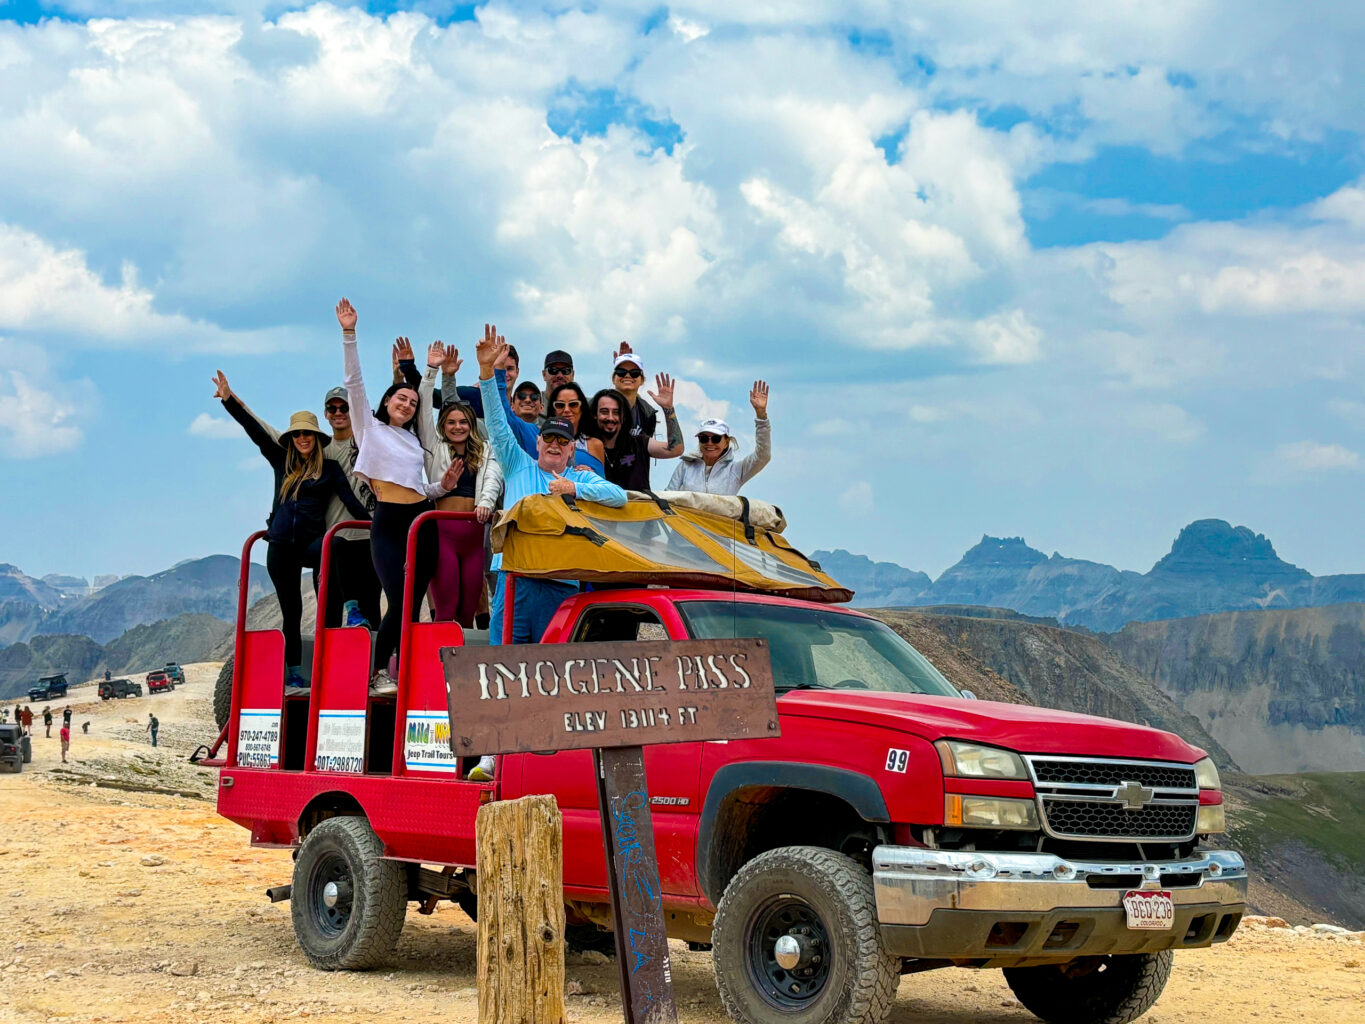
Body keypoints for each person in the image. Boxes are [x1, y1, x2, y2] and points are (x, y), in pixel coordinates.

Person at [475, 325, 627, 780]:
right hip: (514, 579)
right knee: (504, 663)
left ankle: (539, 761)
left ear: (569, 447)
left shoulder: (579, 478)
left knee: (550, 671)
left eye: (562, 441)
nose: (554, 446)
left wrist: (573, 488)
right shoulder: (517, 462)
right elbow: (498, 423)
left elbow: (618, 497)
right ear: (538, 442)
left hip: (559, 585)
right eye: (548, 439)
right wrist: (488, 374)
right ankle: (491, 757)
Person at [214, 372, 370, 692]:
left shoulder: (329, 469)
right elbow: (254, 430)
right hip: (282, 547)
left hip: (311, 544)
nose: (302, 439)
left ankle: (353, 610)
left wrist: (376, 524)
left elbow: (351, 502)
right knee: (292, 613)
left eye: (308, 434)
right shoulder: (281, 461)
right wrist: (230, 400)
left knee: (336, 544)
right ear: (292, 438)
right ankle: (295, 672)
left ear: (316, 437)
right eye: (298, 434)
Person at [338, 298, 461, 694]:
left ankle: (409, 669)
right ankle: (377, 673)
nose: (407, 406)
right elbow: (354, 384)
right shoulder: (369, 429)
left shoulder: (412, 442)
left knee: (415, 604)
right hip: (389, 524)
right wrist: (349, 333)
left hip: (422, 521)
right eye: (400, 400)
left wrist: (442, 486)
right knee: (398, 596)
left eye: (412, 403)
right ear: (387, 402)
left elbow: (420, 488)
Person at [418, 342, 504, 627]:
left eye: (463, 422)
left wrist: (486, 504)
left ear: (471, 425)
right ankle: (437, 669)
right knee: (446, 610)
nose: (458, 427)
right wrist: (432, 371)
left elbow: (492, 478)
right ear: (443, 426)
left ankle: (462, 670)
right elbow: (422, 413)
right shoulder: (435, 447)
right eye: (451, 422)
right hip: (444, 537)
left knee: (468, 612)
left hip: (473, 539)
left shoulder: (485, 449)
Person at [667, 381, 771, 495]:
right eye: (704, 438)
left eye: (716, 439)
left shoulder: (736, 470)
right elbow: (668, 496)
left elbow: (763, 456)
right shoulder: (685, 466)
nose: (709, 443)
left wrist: (761, 416)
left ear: (726, 443)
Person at [591, 377, 684, 491]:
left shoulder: (639, 443)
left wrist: (668, 409)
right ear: (594, 415)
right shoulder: (585, 447)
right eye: (604, 412)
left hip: (639, 507)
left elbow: (676, 450)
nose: (610, 417)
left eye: (616, 412)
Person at [545, 382, 605, 475]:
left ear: (582, 409)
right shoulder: (544, 442)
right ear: (553, 410)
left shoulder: (595, 445)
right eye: (560, 405)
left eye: (573, 404)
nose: (566, 410)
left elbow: (603, 483)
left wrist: (590, 475)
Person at [610, 345, 657, 440]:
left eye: (634, 372)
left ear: (642, 380)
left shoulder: (647, 414)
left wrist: (668, 409)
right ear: (613, 379)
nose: (627, 375)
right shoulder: (596, 407)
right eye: (621, 372)